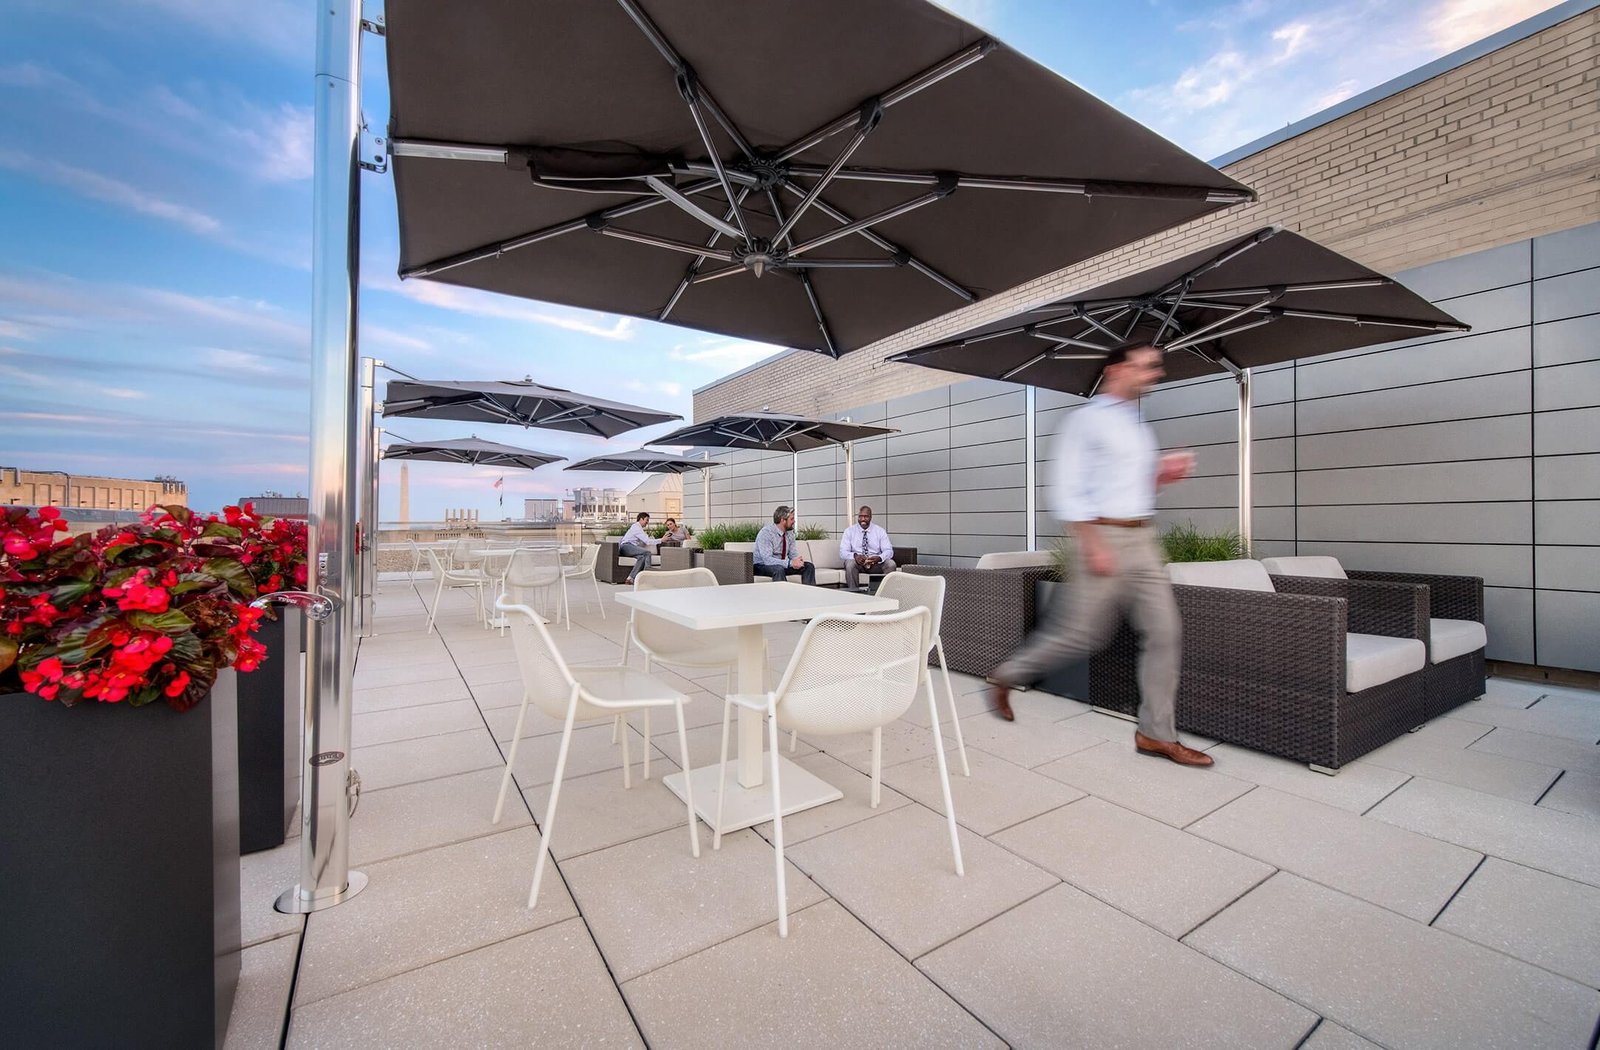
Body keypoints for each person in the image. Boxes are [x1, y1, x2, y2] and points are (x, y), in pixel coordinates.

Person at [988, 340, 1213, 768]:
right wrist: (1092, 545)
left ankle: (1155, 734)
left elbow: (1133, 489)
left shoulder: (1138, 426)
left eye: (1155, 367)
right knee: (1083, 636)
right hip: (1102, 536)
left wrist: (1161, 476)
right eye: (1146, 367)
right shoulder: (1084, 421)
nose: (1155, 375)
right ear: (1116, 370)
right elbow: (1067, 489)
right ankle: (1008, 674)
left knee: (1166, 632)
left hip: (1144, 539)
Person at [753, 505, 816, 584]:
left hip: (781, 565)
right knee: (778, 569)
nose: (794, 521)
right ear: (783, 520)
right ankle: (783, 596)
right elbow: (767, 560)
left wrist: (797, 561)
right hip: (761, 566)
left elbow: (792, 554)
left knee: (808, 566)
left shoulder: (790, 533)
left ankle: (808, 594)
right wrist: (790, 563)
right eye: (792, 519)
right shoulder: (766, 533)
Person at [839, 505, 895, 591]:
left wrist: (879, 558)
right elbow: (843, 552)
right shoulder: (849, 531)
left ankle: (883, 593)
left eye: (866, 516)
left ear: (870, 517)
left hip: (875, 564)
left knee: (891, 564)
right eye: (860, 516)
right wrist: (855, 556)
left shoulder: (879, 531)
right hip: (858, 563)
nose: (863, 519)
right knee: (850, 564)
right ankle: (854, 594)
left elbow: (889, 551)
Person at [617, 511, 660, 584]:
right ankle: (647, 577)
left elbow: (645, 540)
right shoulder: (636, 527)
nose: (647, 522)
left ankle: (630, 578)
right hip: (626, 546)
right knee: (647, 553)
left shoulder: (638, 528)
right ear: (641, 519)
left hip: (629, 547)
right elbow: (647, 541)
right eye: (647, 520)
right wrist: (661, 540)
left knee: (641, 557)